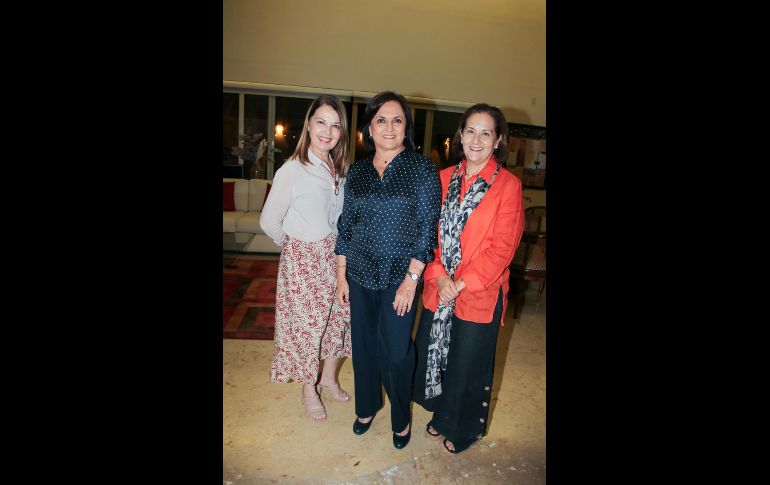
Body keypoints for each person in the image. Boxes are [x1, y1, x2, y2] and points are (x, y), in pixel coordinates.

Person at [412, 103, 525, 454]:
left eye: (486, 132)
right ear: (460, 135)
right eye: (471, 131)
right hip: (440, 287)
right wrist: (439, 277)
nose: (477, 139)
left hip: (479, 292)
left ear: (498, 140)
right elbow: (427, 234)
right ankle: (442, 414)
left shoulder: (508, 186)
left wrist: (459, 284)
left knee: (467, 363)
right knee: (440, 355)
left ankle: (463, 430)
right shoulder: (442, 177)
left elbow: (502, 248)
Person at [334, 91, 442, 449]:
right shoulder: (358, 171)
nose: (390, 127)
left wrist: (411, 282)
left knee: (396, 352)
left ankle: (400, 416)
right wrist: (341, 275)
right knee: (363, 346)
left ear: (406, 127)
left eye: (397, 120)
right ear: (369, 128)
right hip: (360, 273)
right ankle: (366, 408)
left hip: (400, 277)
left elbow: (427, 230)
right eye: (381, 120)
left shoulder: (422, 168)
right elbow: (346, 225)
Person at [260, 94, 352, 421]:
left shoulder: (338, 170)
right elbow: (268, 221)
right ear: (309, 125)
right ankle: (308, 388)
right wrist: (295, 248)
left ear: (342, 132)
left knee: (339, 321)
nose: (328, 131)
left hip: (335, 259)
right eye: (321, 122)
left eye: (335, 125)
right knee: (307, 329)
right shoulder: (293, 170)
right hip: (303, 261)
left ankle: (328, 379)